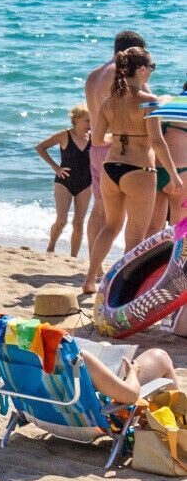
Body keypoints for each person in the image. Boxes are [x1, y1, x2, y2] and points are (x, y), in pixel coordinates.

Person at [97, 47, 174, 264]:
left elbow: (96, 140)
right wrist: (173, 175)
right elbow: (157, 142)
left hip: (111, 166)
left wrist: (121, 137)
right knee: (135, 235)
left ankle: (90, 278)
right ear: (141, 69)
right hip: (139, 170)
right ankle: (120, 283)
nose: (151, 71)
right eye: (152, 67)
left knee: (110, 227)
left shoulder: (109, 101)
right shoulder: (149, 101)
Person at [85, 30, 146, 290]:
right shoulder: (120, 75)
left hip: (97, 145)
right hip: (121, 147)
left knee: (100, 209)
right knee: (121, 218)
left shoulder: (94, 74)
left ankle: (94, 269)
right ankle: (120, 278)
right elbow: (143, 104)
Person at [37, 105, 96, 259]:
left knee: (78, 223)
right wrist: (56, 167)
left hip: (86, 183)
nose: (90, 124)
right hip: (64, 182)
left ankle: (73, 257)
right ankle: (51, 247)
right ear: (76, 120)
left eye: (92, 120)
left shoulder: (94, 137)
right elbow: (41, 147)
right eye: (87, 120)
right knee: (61, 220)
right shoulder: (65, 135)